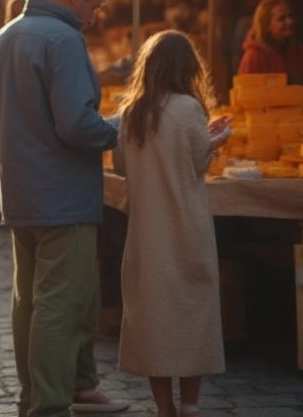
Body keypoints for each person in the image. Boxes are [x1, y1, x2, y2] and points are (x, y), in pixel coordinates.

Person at [0, 0, 128, 417]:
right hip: (62, 193)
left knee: (29, 299)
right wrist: (119, 126)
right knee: (59, 301)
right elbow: (78, 125)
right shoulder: (64, 39)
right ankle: (48, 405)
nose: (94, 18)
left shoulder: (4, 35)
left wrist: (20, 133)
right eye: (94, 7)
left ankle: (34, 397)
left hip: (18, 186)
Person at [112, 31, 230, 417]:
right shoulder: (189, 108)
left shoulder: (132, 112)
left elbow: (121, 166)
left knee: (154, 317)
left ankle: (164, 407)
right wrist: (217, 140)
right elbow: (197, 161)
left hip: (146, 231)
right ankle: (190, 405)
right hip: (185, 224)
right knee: (193, 312)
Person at [237, 0, 303, 103]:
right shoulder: (254, 57)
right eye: (282, 19)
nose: (289, 22)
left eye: (290, 16)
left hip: (300, 116)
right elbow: (245, 99)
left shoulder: (299, 53)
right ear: (267, 25)